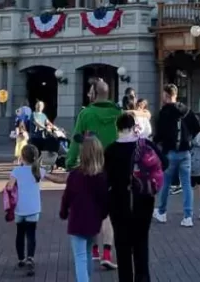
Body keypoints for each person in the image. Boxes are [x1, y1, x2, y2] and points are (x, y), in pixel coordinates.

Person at [66, 79, 122, 270]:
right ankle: (107, 251)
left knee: (94, 208)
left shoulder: (86, 114)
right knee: (108, 212)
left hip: (92, 168)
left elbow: (75, 141)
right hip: (114, 170)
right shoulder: (118, 113)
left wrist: (70, 162)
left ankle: (95, 250)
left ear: (94, 94)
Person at [104, 112, 161, 282]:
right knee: (141, 243)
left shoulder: (111, 150)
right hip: (144, 200)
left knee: (122, 247)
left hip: (118, 202)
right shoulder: (145, 145)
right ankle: (143, 278)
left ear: (118, 128)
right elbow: (164, 162)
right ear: (133, 127)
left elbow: (105, 179)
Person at [61, 135, 109, 282]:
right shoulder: (102, 177)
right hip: (94, 220)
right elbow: (105, 201)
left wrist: (63, 212)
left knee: (80, 257)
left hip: (77, 220)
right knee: (88, 252)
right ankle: (87, 278)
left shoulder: (75, 175)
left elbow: (67, 197)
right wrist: (101, 215)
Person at [154, 83, 200, 227]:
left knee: (166, 184)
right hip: (185, 152)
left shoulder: (164, 112)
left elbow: (160, 134)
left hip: (170, 152)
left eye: (163, 95)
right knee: (187, 185)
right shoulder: (186, 110)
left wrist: (156, 143)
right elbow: (197, 128)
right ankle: (188, 216)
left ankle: (162, 212)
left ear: (167, 95)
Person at [7, 144, 43, 272]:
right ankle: (30, 257)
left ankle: (21, 258)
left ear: (22, 157)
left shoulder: (17, 171)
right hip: (33, 208)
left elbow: (10, 187)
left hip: (19, 208)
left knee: (20, 233)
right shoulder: (39, 171)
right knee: (31, 234)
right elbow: (55, 179)